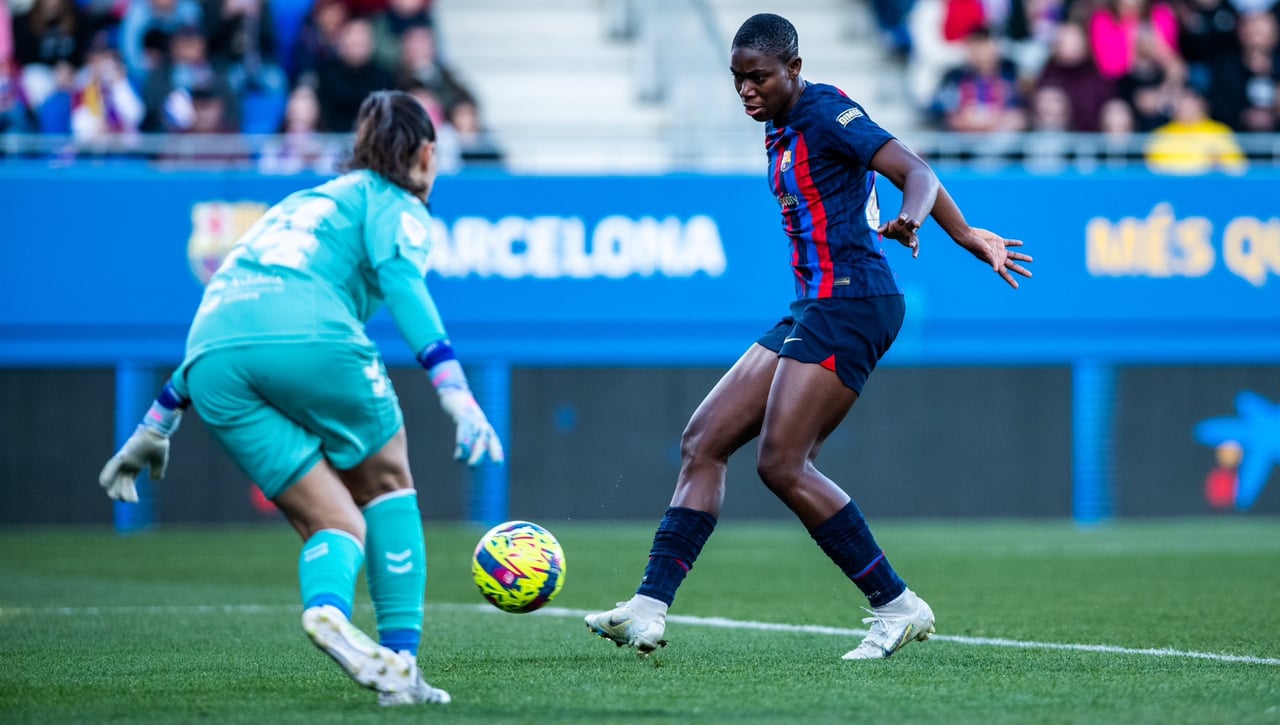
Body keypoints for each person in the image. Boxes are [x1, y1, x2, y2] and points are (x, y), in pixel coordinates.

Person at [584, 13, 1032, 662]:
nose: (747, 90)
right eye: (737, 78)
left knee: (781, 463)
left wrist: (928, 225)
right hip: (814, 305)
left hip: (855, 302)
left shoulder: (824, 112)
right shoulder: (777, 123)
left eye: (759, 77)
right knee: (703, 441)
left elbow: (916, 170)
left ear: (794, 68)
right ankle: (648, 609)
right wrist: (959, 232)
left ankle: (897, 605)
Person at [98, 90, 504, 705]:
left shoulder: (298, 204)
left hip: (210, 359)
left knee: (333, 521)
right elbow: (403, 284)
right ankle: (402, 667)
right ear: (426, 154)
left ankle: (328, 611)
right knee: (386, 482)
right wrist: (456, 392)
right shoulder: (396, 203)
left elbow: (235, 324)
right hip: (311, 336)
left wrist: (156, 422)